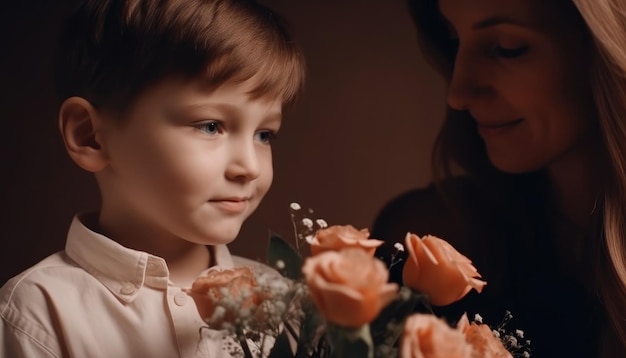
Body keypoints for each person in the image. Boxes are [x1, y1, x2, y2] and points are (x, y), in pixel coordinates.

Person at [0, 0, 304, 357]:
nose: (249, 166)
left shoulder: (287, 304)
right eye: (210, 126)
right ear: (90, 137)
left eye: (264, 135)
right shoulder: (38, 313)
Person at [372, 0, 626, 357]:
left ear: (604, 47)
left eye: (507, 49)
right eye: (453, 41)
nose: (457, 94)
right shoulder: (431, 245)